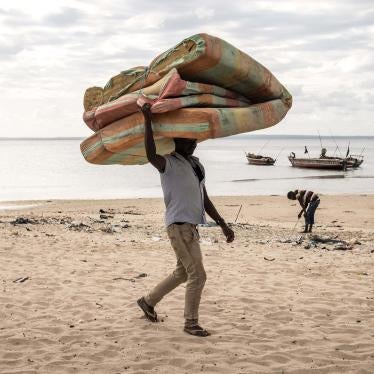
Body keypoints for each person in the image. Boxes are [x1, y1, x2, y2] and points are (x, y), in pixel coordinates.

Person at [137, 103, 234, 337]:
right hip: (178, 226)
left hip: (190, 227)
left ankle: (148, 302)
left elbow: (205, 198)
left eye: (195, 140)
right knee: (198, 276)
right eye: (189, 140)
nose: (194, 143)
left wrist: (222, 223)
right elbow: (150, 154)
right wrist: (147, 119)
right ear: (176, 142)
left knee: (183, 273)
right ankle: (190, 323)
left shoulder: (196, 166)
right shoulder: (168, 163)